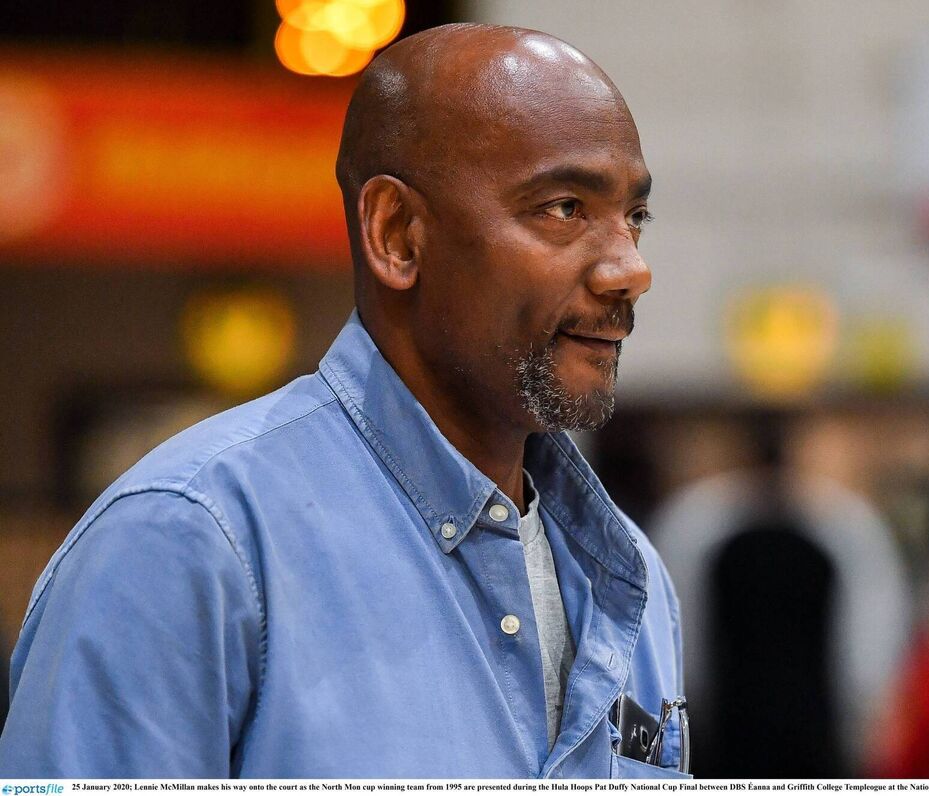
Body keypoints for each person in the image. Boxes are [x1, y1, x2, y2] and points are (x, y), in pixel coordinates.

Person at [0, 24, 685, 779]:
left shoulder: (629, 578)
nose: (630, 268)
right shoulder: (189, 545)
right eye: (563, 208)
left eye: (635, 218)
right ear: (397, 234)